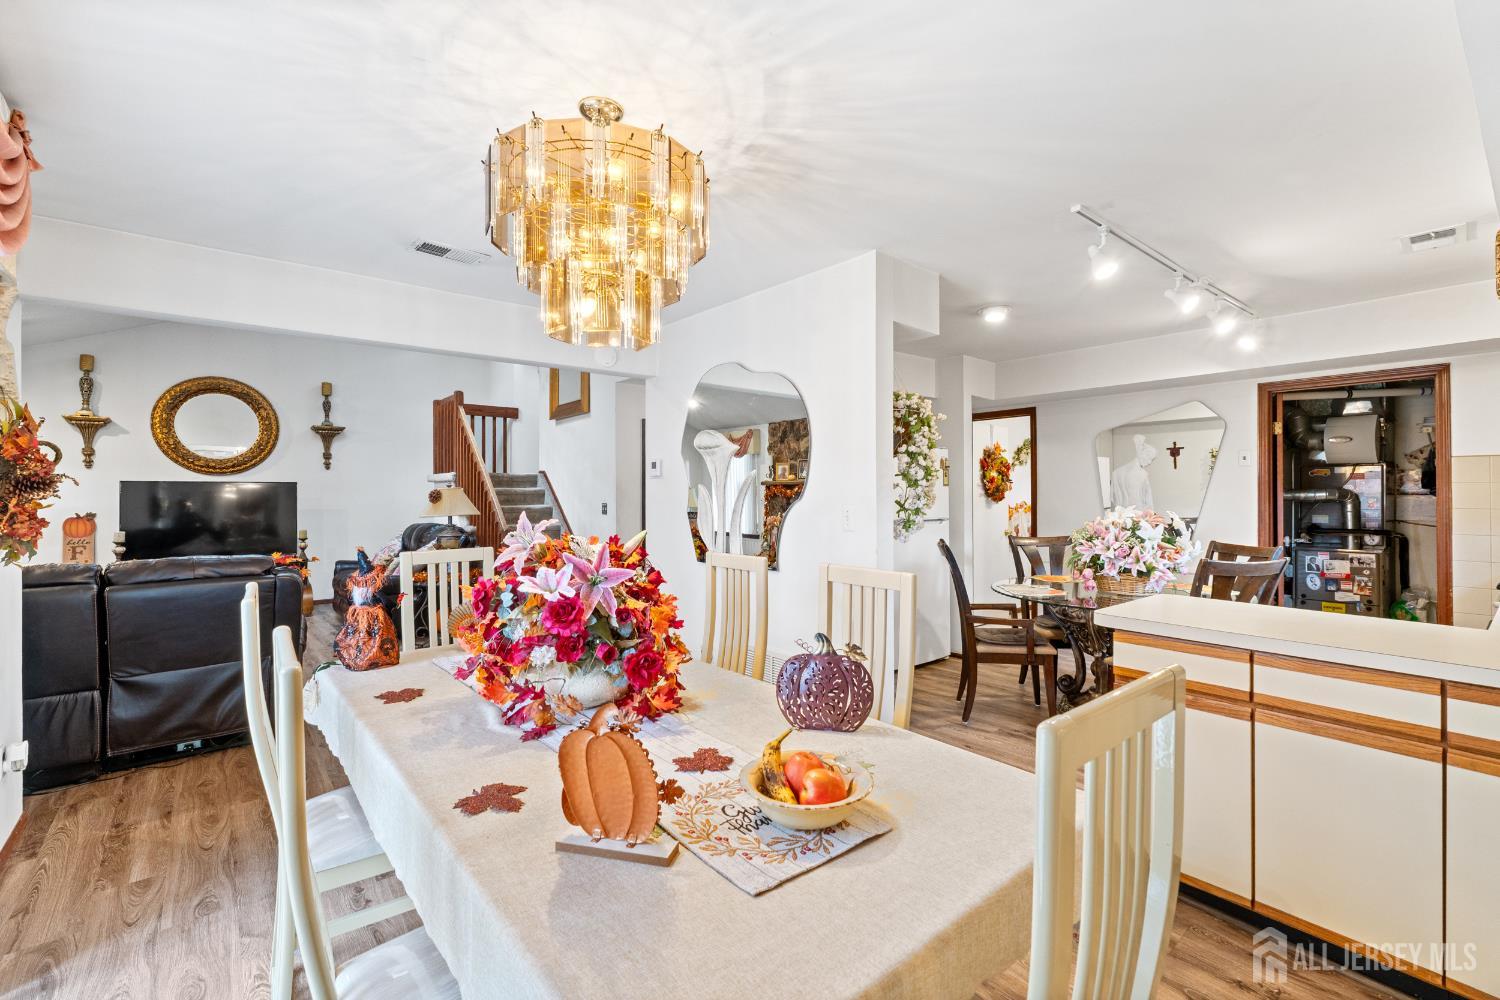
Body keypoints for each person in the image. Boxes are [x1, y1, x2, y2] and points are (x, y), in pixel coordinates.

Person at [1110, 434, 1157, 508]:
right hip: (1137, 513)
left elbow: (1113, 498)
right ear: (1142, 454)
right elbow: (1148, 500)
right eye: (1149, 458)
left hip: (1121, 514)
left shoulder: (1116, 472)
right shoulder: (1142, 474)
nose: (1149, 462)